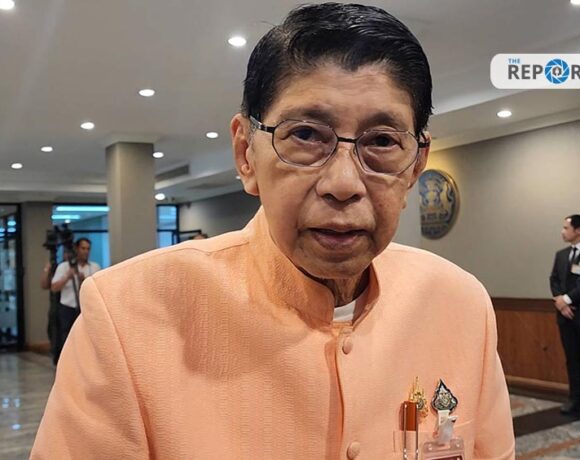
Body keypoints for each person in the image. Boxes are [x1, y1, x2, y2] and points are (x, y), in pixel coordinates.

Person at [31, 4, 514, 458]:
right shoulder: (127, 317)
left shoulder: (460, 303)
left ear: (416, 166)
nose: (343, 184)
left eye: (383, 141)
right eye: (305, 134)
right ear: (246, 153)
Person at [49, 238, 100, 364]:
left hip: (85, 308)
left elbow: (99, 288)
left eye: (88, 249)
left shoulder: (94, 267)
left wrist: (84, 281)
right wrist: (67, 276)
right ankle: (67, 362)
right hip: (67, 307)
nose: (86, 251)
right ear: (77, 249)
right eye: (83, 248)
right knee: (66, 336)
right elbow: (54, 287)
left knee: (86, 337)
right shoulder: (64, 267)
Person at [550, 214, 580, 414]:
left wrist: (567, 299)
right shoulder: (561, 255)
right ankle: (574, 399)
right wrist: (561, 303)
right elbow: (553, 279)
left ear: (578, 230)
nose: (562, 232)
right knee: (572, 359)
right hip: (565, 317)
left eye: (566, 228)